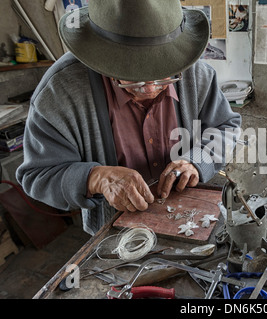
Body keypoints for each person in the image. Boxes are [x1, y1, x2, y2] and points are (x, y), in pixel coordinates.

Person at [16, 0, 242, 235]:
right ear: (102, 58)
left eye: (164, 78)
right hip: (116, 236)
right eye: (135, 79)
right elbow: (37, 176)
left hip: (189, 221)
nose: (150, 89)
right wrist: (96, 178)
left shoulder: (196, 74)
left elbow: (226, 127)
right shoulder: (58, 92)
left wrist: (197, 160)